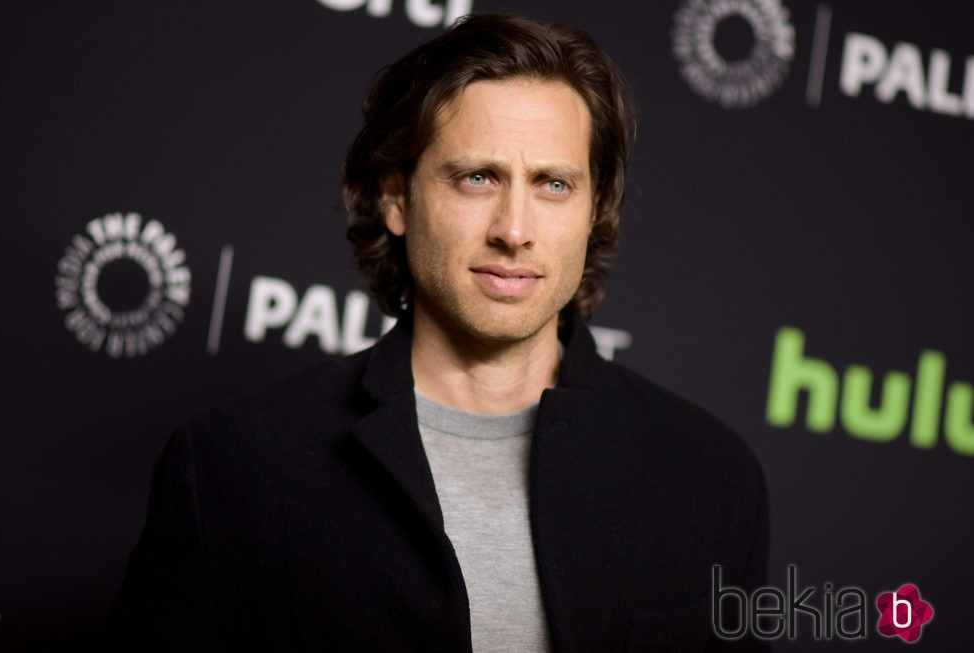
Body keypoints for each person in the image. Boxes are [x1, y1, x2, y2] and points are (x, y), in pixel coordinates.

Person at [105, 12, 768, 652]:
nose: (514, 228)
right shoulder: (232, 468)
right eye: (478, 178)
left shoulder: (710, 478)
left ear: (596, 210)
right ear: (397, 198)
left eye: (554, 184)